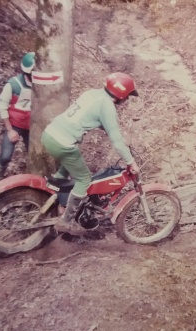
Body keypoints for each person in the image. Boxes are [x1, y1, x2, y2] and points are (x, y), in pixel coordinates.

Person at [41, 72, 141, 235]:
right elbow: (116, 141)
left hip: (49, 134)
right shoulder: (107, 105)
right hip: (62, 143)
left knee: (73, 159)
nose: (127, 100)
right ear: (121, 94)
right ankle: (66, 221)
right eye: (128, 96)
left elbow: (88, 117)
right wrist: (131, 162)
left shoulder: (92, 94)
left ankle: (59, 185)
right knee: (84, 179)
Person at [0, 52, 35, 189]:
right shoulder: (13, 85)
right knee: (5, 156)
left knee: (34, 154)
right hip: (15, 125)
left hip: (32, 126)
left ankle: (33, 178)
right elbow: (2, 107)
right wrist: (10, 130)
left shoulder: (40, 85)